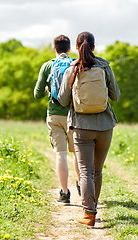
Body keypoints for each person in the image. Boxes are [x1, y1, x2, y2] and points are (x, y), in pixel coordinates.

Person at [58, 31, 120, 227]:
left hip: (81, 126)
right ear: (94, 47)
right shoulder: (104, 66)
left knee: (85, 171)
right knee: (96, 171)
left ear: (76, 48)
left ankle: (89, 214)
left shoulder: (72, 69)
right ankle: (93, 206)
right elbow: (116, 95)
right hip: (105, 126)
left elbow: (63, 100)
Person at [34, 35, 80, 205]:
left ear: (54, 48)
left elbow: (36, 94)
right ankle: (82, 185)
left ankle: (64, 193)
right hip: (74, 115)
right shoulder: (76, 63)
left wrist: (48, 89)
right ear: (69, 49)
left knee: (60, 154)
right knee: (77, 153)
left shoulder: (48, 65)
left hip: (54, 114)